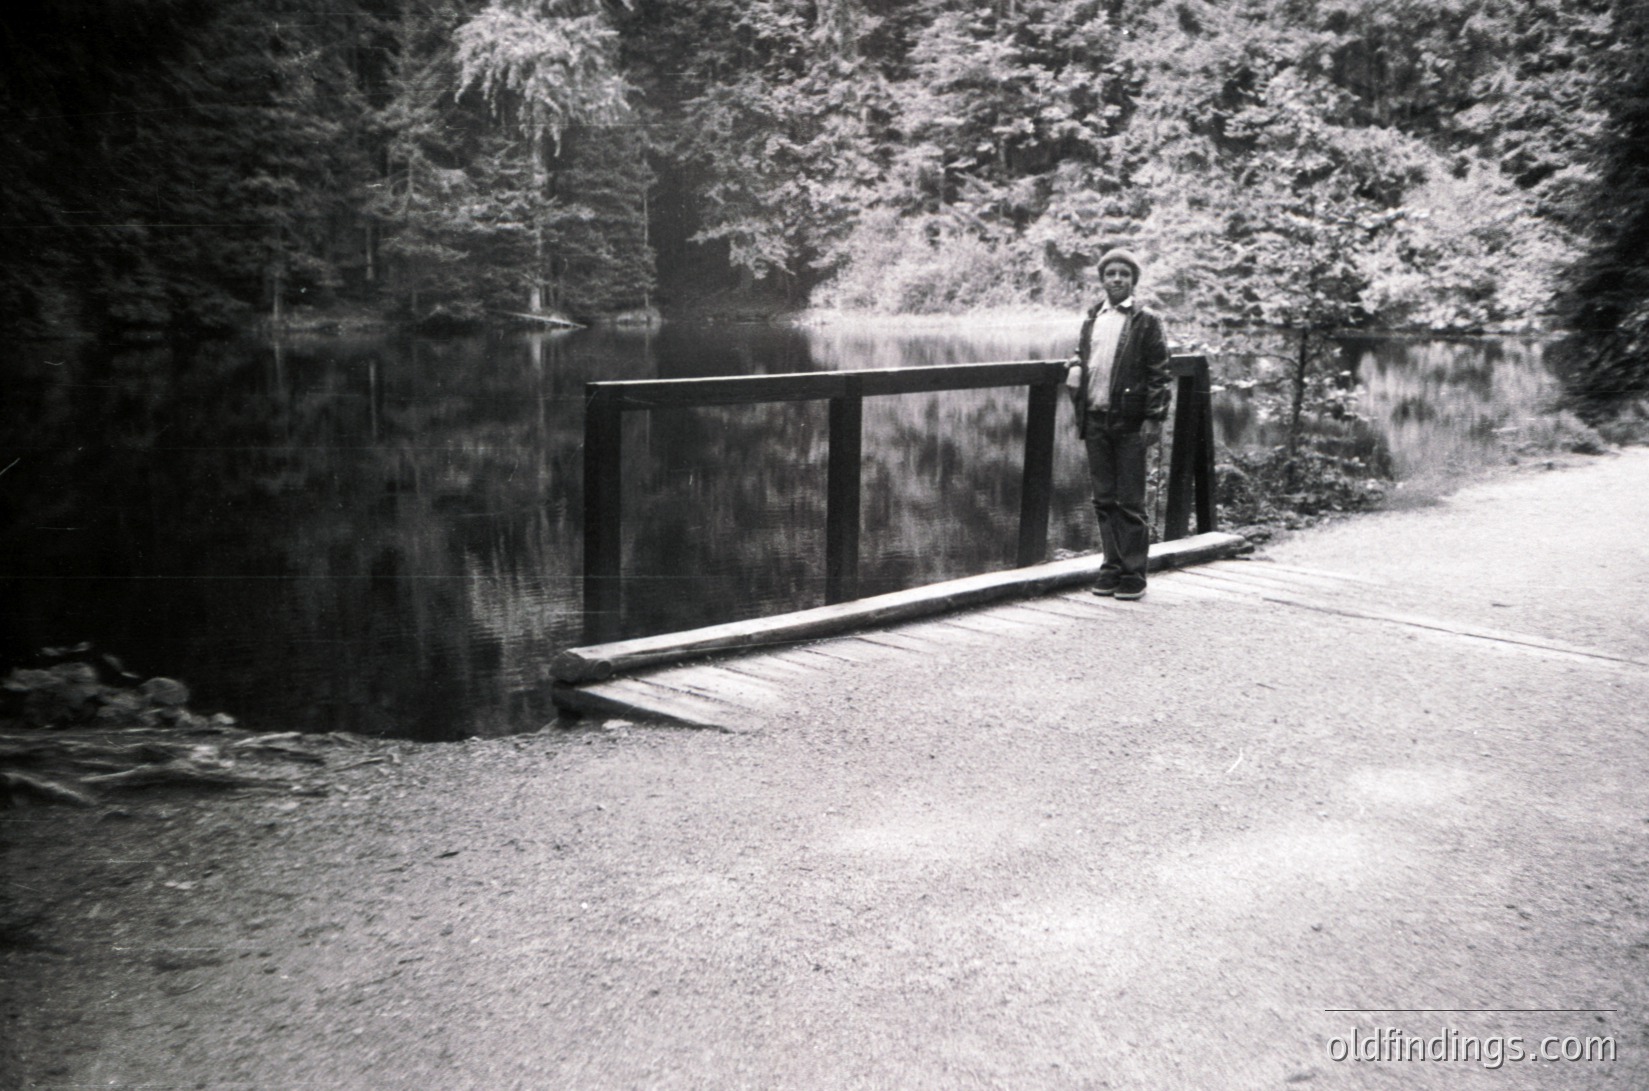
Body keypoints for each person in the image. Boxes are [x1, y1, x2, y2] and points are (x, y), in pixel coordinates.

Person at [1065, 248, 1172, 601]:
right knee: (1104, 499)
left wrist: (1154, 417)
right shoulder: (1093, 317)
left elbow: (1159, 373)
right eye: (1110, 274)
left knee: (1130, 502)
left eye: (1124, 275)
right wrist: (1075, 365)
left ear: (1133, 281)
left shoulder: (1146, 320)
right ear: (1102, 279)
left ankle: (1134, 574)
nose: (1116, 279)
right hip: (1095, 419)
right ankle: (1110, 568)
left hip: (1129, 422)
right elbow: (1084, 353)